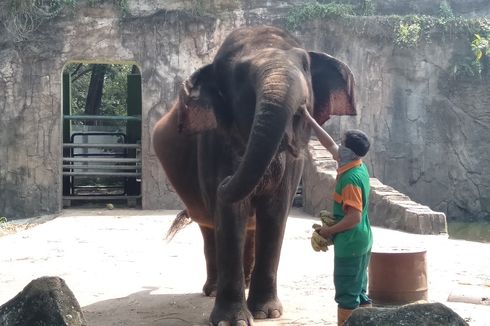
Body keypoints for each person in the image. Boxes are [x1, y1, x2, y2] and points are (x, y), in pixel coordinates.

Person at [302, 108, 373, 326]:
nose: (338, 146)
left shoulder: (350, 179)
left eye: (342, 143)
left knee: (347, 295)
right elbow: (328, 143)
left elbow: (353, 217)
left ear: (349, 152)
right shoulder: (357, 166)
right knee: (359, 291)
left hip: (350, 243)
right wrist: (307, 117)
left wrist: (328, 231)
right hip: (362, 241)